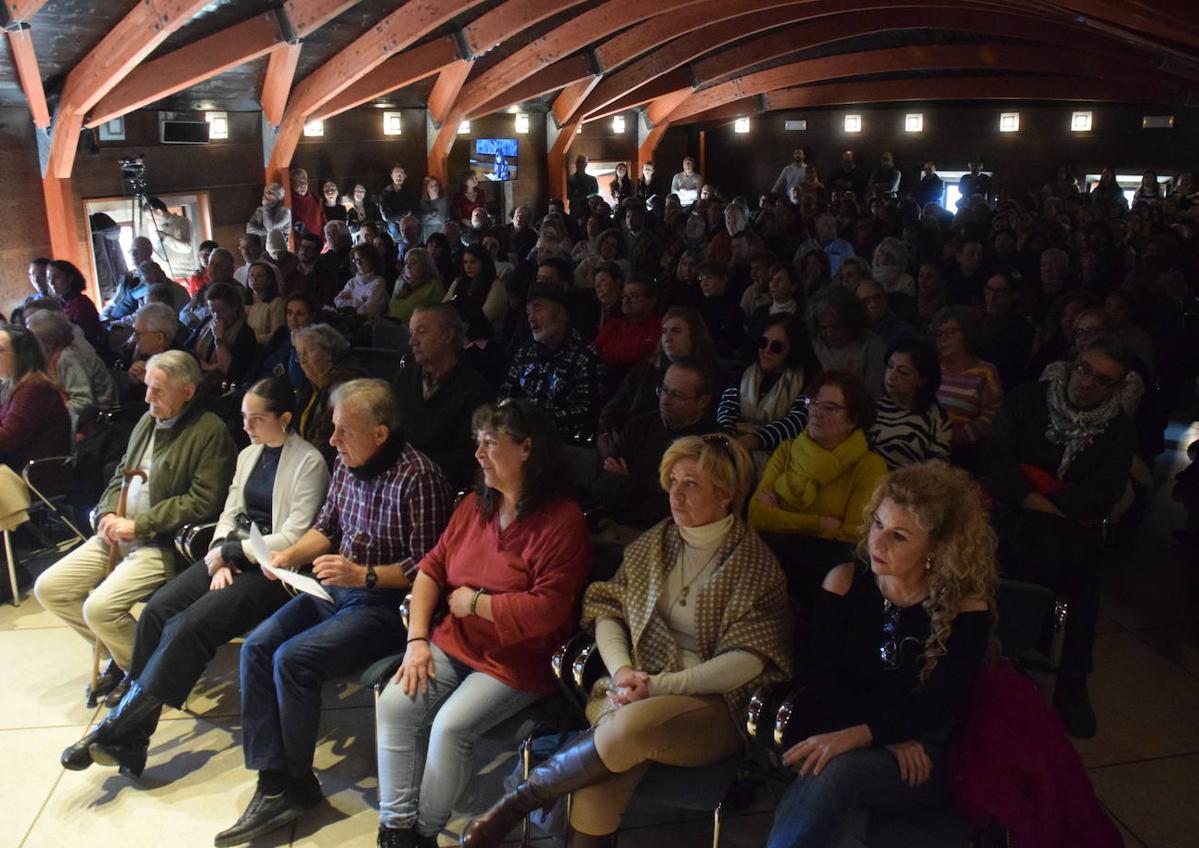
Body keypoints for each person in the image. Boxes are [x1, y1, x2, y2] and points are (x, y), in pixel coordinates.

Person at [461, 434, 791, 848]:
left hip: (714, 705)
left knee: (629, 725)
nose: (676, 494)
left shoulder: (754, 564)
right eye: (672, 482)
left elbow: (749, 659)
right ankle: (526, 803)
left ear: (726, 494)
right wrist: (622, 672)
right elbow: (608, 610)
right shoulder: (656, 543)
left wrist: (659, 686)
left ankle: (517, 802)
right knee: (600, 779)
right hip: (634, 688)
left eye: (691, 484)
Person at [215, 379, 452, 847]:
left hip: (388, 605)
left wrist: (363, 575)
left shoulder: (418, 477)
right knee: (257, 647)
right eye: (334, 427)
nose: (333, 439)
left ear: (380, 433)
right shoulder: (347, 463)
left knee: (293, 659)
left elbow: (430, 568)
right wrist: (287, 557)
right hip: (339, 588)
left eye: (345, 430)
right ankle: (274, 780)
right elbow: (326, 527)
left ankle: (296, 782)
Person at [59, 378, 329, 777]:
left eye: (257, 419)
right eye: (244, 418)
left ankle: (117, 728)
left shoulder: (309, 462)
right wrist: (219, 554)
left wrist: (234, 553)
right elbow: (229, 513)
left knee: (188, 625)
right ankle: (132, 739)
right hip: (231, 553)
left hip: (274, 569)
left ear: (284, 418)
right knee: (156, 611)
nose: (247, 427)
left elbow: (294, 535)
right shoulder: (249, 454)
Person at [375, 399, 591, 847]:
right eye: (478, 442)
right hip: (456, 641)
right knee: (396, 703)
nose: (478, 454)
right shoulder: (475, 506)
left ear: (527, 448)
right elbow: (431, 570)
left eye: (490, 443)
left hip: (518, 658)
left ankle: (422, 832)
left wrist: (476, 604)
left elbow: (547, 610)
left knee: (450, 727)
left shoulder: (562, 521)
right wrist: (417, 640)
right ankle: (395, 829)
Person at [764, 462, 995, 848]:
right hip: (845, 729)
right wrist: (876, 738)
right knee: (841, 804)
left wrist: (870, 735)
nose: (878, 543)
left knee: (836, 772)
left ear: (936, 548)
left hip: (922, 750)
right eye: (877, 524)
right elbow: (820, 681)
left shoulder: (965, 608)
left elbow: (937, 707)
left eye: (898, 536)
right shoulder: (844, 582)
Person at [34, 351, 235, 705]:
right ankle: (124, 655)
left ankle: (143, 677)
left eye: (158, 390)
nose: (147, 397)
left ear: (188, 391)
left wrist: (139, 524)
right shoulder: (147, 421)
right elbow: (122, 474)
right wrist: (109, 511)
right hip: (119, 531)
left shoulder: (209, 431)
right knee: (50, 588)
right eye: (147, 387)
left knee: (99, 609)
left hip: (162, 542)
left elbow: (203, 501)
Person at [979, 337, 1137, 739]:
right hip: (1012, 510)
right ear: (1073, 364)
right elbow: (995, 458)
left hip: (1066, 526)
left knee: (1083, 578)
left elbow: (1102, 493)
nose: (1087, 382)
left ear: (1117, 388)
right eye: (1084, 369)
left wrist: (1039, 487)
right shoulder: (1028, 400)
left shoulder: (1118, 430)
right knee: (990, 552)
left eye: (1102, 380)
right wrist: (1033, 493)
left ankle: (1072, 678)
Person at [749, 371, 887, 590]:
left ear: (853, 419)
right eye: (813, 402)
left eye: (829, 408)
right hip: (767, 560)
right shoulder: (787, 450)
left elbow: (852, 537)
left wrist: (780, 518)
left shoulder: (870, 466)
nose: (815, 412)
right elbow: (757, 515)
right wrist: (820, 523)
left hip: (825, 572)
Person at [594, 359, 720, 528]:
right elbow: (601, 484)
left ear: (703, 401)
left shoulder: (709, 443)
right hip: (614, 522)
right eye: (663, 390)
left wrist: (626, 482)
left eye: (676, 395)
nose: (664, 400)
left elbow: (671, 507)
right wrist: (647, 487)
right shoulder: (640, 424)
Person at [393, 305, 494, 488]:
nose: (412, 341)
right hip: (397, 477)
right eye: (411, 332)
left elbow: (465, 459)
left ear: (448, 335)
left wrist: (413, 471)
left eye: (421, 331)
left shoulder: (474, 389)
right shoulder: (406, 377)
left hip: (438, 485)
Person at [499, 283, 607, 441]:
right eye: (528, 312)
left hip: (564, 442)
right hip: (520, 436)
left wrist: (539, 422)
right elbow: (505, 393)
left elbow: (589, 413)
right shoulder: (525, 352)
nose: (531, 318)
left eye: (537, 309)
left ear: (560, 313)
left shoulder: (585, 356)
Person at [718, 314, 818, 470]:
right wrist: (727, 438)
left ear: (793, 349)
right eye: (763, 343)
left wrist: (755, 439)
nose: (766, 350)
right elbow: (726, 408)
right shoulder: (743, 373)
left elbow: (800, 418)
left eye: (776, 347)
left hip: (783, 457)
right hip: (735, 445)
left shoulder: (809, 381)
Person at [599, 307, 717, 438]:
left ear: (694, 336)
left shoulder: (709, 375)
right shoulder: (645, 369)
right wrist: (607, 433)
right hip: (629, 438)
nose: (667, 338)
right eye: (664, 332)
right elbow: (615, 407)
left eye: (676, 331)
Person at [931, 306, 1003, 466]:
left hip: (964, 452)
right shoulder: (931, 367)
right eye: (939, 333)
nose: (943, 338)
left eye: (950, 332)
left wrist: (957, 436)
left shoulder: (985, 372)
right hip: (927, 445)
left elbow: (992, 414)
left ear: (967, 334)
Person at [25, 310, 116, 435]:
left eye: (32, 341)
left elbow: (84, 401)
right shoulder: (53, 356)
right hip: (82, 420)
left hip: (99, 422)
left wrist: (50, 419)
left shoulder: (69, 358)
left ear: (49, 342)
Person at [0, 325, 72, 480]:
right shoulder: (16, 384)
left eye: (0, 350)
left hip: (35, 477)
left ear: (21, 356)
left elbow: (8, 438)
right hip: (17, 470)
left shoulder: (33, 389)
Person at [869, 338, 951, 470]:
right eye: (890, 366)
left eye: (903, 372)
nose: (892, 375)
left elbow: (936, 470)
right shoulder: (873, 408)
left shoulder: (937, 419)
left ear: (922, 380)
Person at [293, 324, 365, 467]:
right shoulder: (309, 386)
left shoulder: (344, 382)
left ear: (329, 352)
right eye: (299, 355)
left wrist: (302, 464)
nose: (302, 360)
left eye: (308, 351)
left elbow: (327, 437)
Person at [807, 285, 885, 397]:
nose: (829, 334)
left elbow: (874, 392)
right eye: (823, 328)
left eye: (836, 327)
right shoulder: (812, 344)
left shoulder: (872, 345)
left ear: (851, 323)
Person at [191, 282, 260, 384]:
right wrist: (207, 366)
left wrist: (218, 339)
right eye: (213, 311)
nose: (216, 317)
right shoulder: (207, 321)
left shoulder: (245, 333)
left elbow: (232, 371)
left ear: (234, 307)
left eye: (221, 311)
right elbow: (187, 350)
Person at [594, 277, 661, 378]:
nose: (626, 301)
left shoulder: (659, 327)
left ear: (652, 301)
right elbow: (593, 352)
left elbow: (635, 357)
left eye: (633, 296)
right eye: (624, 296)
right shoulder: (613, 325)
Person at [48, 260, 106, 354]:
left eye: (56, 277)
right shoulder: (59, 303)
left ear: (70, 278)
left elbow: (82, 337)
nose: (51, 282)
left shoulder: (81, 303)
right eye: (49, 278)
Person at [388, 246, 447, 323]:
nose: (408, 267)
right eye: (406, 263)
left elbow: (438, 316)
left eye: (413, 263)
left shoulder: (434, 286)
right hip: (392, 325)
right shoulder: (400, 281)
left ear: (425, 265)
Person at [333, 243, 388, 319]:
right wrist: (361, 302)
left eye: (362, 259)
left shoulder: (379, 282)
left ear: (372, 260)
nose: (358, 263)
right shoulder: (351, 282)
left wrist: (349, 302)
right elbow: (337, 301)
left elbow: (366, 310)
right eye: (356, 260)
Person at [855, 278, 913, 349]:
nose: (873, 304)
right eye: (865, 300)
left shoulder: (903, 331)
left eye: (877, 297)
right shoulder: (853, 331)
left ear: (885, 299)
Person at [794, 213, 855, 278]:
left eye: (833, 224)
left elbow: (853, 269)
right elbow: (796, 269)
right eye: (825, 224)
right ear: (816, 227)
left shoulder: (845, 247)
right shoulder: (805, 247)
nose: (829, 228)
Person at [245, 261, 287, 344]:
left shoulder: (276, 303)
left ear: (269, 281)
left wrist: (250, 340)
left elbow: (276, 335)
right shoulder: (244, 302)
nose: (254, 279)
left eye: (260, 276)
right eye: (251, 275)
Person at [381, 164, 418, 239]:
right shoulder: (386, 193)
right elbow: (386, 216)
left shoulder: (410, 191)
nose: (399, 176)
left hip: (410, 229)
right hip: (395, 232)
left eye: (401, 173)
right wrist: (405, 214)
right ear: (392, 176)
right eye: (396, 173)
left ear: (405, 176)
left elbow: (415, 209)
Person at [289, 169, 324, 242]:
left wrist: (325, 238)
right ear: (292, 184)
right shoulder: (289, 201)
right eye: (298, 182)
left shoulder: (314, 198)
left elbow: (322, 217)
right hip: (303, 243)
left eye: (304, 181)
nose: (303, 185)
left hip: (320, 242)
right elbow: (295, 224)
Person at [419, 176, 451, 243]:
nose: (435, 188)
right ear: (427, 188)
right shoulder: (423, 202)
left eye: (436, 185)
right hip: (426, 233)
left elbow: (441, 219)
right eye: (431, 186)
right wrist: (430, 215)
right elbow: (420, 219)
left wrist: (427, 219)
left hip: (440, 231)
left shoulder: (444, 200)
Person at [568, 155, 600, 220]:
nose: (580, 164)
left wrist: (579, 194)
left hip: (588, 209)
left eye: (582, 162)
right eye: (578, 162)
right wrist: (585, 194)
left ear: (586, 164)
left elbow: (595, 192)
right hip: (575, 209)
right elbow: (569, 195)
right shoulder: (570, 179)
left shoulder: (592, 179)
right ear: (576, 163)